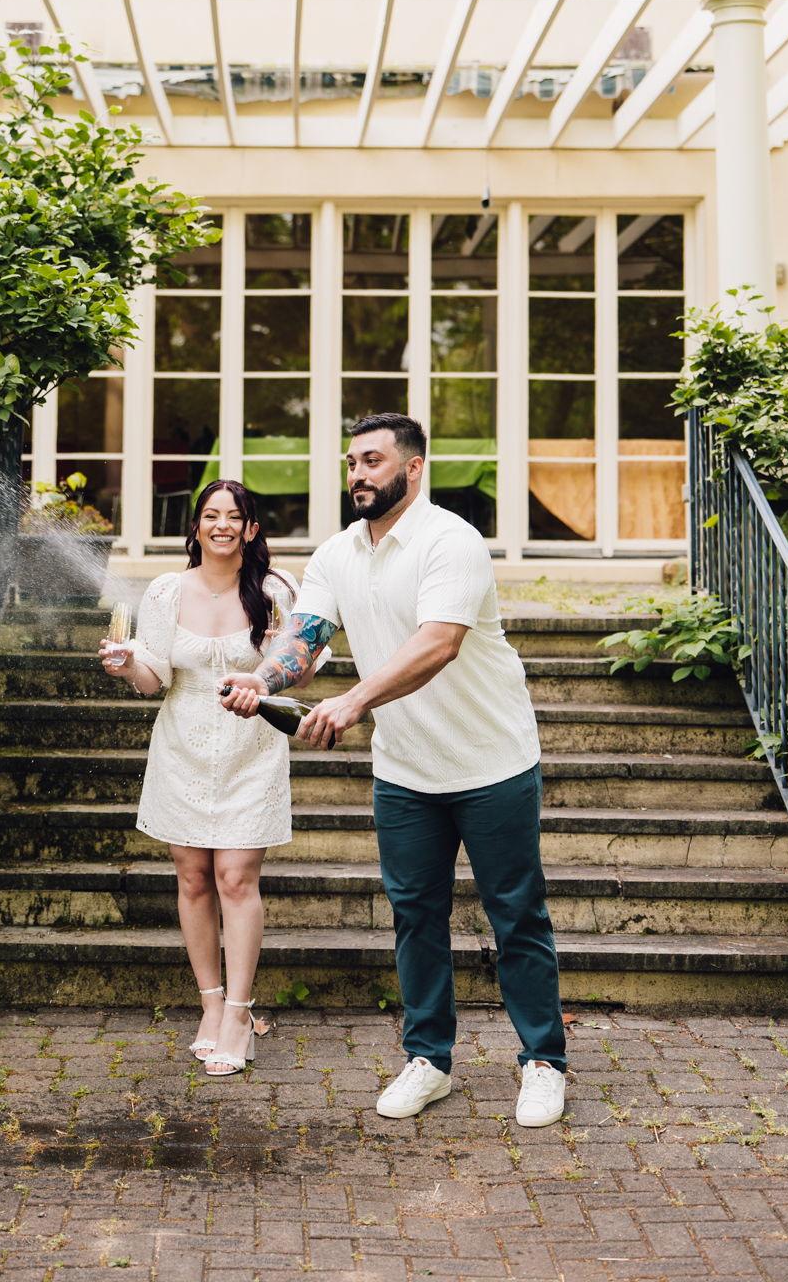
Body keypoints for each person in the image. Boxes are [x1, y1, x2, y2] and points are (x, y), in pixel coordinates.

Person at [220, 412, 567, 1127]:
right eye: (352, 462)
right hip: (406, 772)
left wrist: (352, 701)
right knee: (415, 917)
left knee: (516, 914)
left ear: (413, 469)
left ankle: (543, 1062)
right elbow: (306, 636)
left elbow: (438, 643)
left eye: (373, 461)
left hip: (492, 762)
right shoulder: (337, 554)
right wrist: (263, 679)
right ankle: (428, 1060)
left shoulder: (451, 541)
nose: (358, 474)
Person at [98, 478, 304, 1077]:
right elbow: (154, 678)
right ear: (196, 526)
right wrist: (126, 665)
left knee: (235, 878)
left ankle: (239, 1013)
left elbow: (301, 670)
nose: (221, 525)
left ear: (251, 529)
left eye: (234, 516)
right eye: (211, 515)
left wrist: (277, 663)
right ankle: (210, 1006)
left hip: (251, 747)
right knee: (192, 879)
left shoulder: (276, 590)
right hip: (182, 747)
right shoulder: (166, 591)